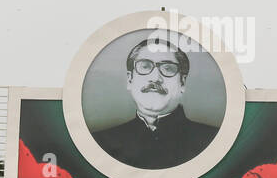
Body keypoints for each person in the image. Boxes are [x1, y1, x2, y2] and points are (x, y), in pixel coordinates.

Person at [91, 35, 220, 169]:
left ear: (182, 82)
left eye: (168, 68)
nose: (155, 78)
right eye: (145, 66)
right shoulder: (101, 143)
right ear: (130, 80)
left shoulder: (214, 141)